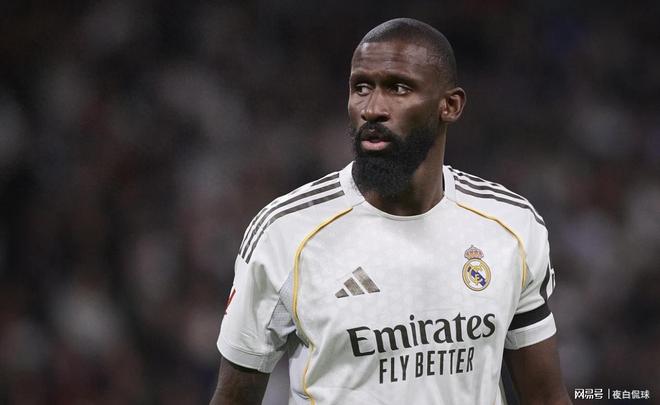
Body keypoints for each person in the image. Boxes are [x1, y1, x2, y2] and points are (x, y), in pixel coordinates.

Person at [210, 18, 572, 405]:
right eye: (361, 87)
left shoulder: (511, 226)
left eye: (398, 88)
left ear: (450, 106)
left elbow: (546, 397)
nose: (372, 108)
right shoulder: (284, 233)